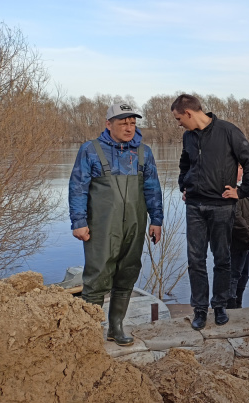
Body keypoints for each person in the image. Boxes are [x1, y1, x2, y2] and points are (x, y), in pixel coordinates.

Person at [68, 103, 163, 346]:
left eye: (132, 123)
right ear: (108, 124)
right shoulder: (91, 150)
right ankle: (89, 331)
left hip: (134, 222)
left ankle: (116, 327)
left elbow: (152, 189)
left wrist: (157, 220)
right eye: (123, 123)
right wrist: (78, 222)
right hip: (101, 225)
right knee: (97, 276)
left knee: (128, 272)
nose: (129, 128)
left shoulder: (144, 152)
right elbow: (78, 187)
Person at [172, 94, 249, 330]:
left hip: (222, 206)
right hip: (194, 207)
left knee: (222, 259)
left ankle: (220, 305)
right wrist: (184, 184)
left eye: (179, 118)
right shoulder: (188, 137)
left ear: (189, 113)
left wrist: (242, 192)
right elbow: (184, 163)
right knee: (195, 260)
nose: (179, 123)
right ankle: (200, 310)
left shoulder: (227, 131)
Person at [225, 165, 249, 309]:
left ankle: (237, 305)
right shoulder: (228, 191)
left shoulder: (239, 190)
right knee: (233, 277)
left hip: (244, 244)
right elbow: (235, 219)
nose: (242, 171)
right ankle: (230, 309)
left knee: (243, 277)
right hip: (236, 243)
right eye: (240, 167)